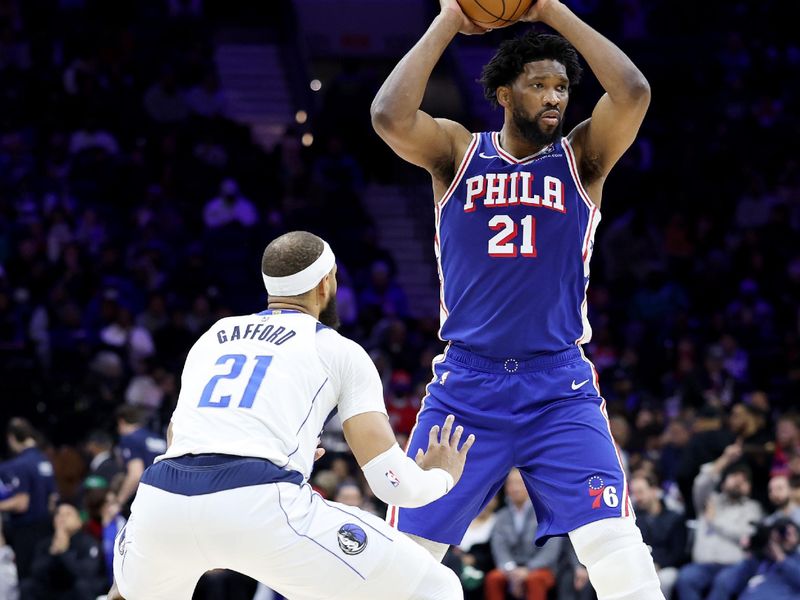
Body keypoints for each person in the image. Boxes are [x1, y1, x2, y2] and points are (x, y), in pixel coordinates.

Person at [371, 0, 657, 598]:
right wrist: (450, 17)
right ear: (503, 93)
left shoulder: (582, 158)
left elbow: (632, 91)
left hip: (559, 390)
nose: (554, 97)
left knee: (622, 561)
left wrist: (553, 10)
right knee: (400, 568)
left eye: (560, 87)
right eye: (538, 85)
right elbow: (389, 116)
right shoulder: (457, 152)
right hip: (466, 392)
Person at [108, 231, 473, 600]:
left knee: (122, 592)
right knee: (435, 587)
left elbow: (180, 437)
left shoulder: (214, 335)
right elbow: (390, 484)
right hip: (257, 506)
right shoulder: (335, 348)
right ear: (325, 282)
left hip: (162, 503)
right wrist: (441, 477)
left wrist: (288, 454)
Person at [485, 469, 562, 600]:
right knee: (493, 578)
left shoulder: (545, 512)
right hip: (511, 569)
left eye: (519, 483)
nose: (515, 488)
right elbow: (499, 547)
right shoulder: (501, 516)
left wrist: (528, 569)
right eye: (511, 484)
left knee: (535, 579)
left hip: (539, 568)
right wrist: (511, 570)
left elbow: (551, 549)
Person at [0, 418, 57, 580]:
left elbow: (21, 503)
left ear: (11, 438)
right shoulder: (44, 460)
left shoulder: (18, 464)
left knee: (27, 580)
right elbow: (53, 499)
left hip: (26, 531)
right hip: (47, 527)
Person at [20, 502, 107, 600]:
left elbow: (87, 573)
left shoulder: (88, 542)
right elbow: (36, 571)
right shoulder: (45, 543)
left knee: (82, 587)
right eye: (58, 514)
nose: (62, 517)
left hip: (73, 590)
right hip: (53, 590)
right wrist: (53, 553)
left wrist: (65, 553)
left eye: (68, 514)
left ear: (79, 521)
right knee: (27, 586)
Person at [629, 473, 686, 599]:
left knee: (662, 581)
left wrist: (658, 564)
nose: (637, 497)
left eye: (640, 492)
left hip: (666, 567)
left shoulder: (674, 518)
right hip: (640, 565)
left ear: (654, 490)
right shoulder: (633, 518)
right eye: (634, 493)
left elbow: (677, 553)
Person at [114, 404, 167, 512]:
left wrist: (118, 502)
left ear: (121, 422)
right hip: (167, 495)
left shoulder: (129, 438)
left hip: (146, 500)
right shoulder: (159, 439)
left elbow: (136, 474)